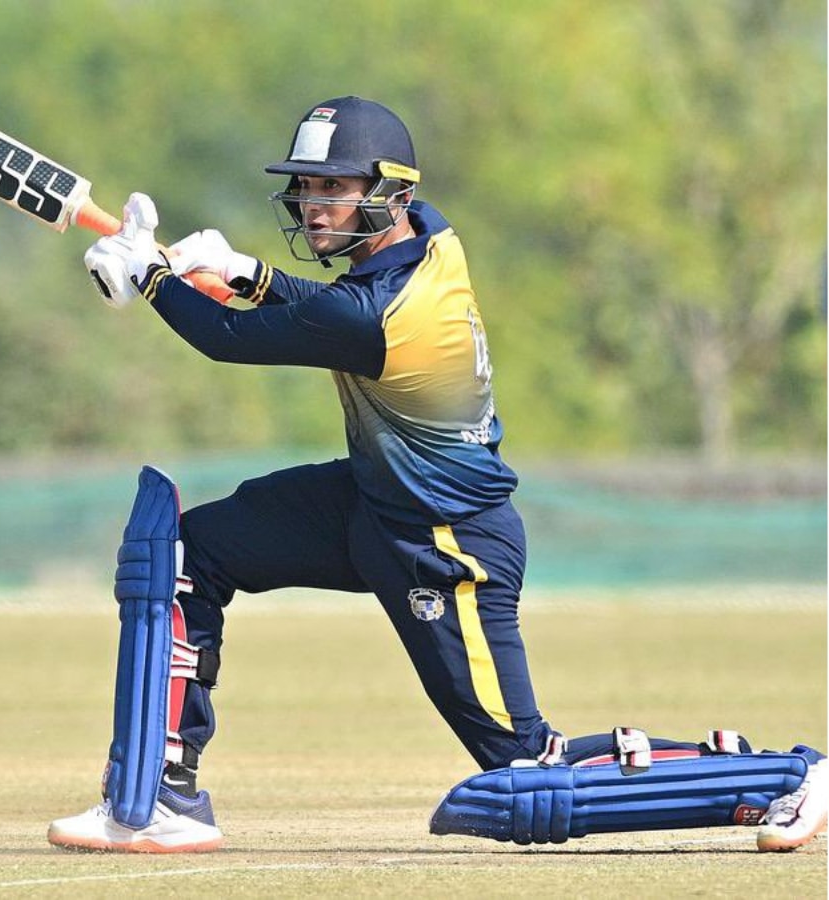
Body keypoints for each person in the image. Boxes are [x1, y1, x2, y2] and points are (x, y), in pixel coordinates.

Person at [52, 96, 825, 853]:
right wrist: (246, 270)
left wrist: (153, 278)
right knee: (190, 553)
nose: (314, 206)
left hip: (446, 543)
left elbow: (233, 339)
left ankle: (783, 775)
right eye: (308, 187)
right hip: (371, 503)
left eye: (336, 189)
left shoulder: (383, 314)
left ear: (392, 193)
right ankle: (160, 796)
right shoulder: (429, 236)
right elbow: (323, 304)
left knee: (527, 768)